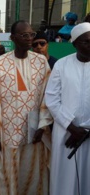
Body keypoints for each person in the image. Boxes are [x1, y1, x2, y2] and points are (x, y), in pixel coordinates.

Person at [0, 20, 52, 194]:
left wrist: (43, 124)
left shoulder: (41, 62)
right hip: (7, 132)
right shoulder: (0, 64)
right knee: (6, 173)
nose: (29, 39)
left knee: (32, 172)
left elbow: (48, 96)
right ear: (12, 38)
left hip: (34, 131)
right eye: (24, 35)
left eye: (31, 35)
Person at [45, 22, 90, 195]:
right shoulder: (61, 65)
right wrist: (72, 128)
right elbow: (52, 98)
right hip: (66, 133)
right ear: (75, 44)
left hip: (88, 135)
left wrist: (86, 130)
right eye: (86, 41)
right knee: (65, 178)